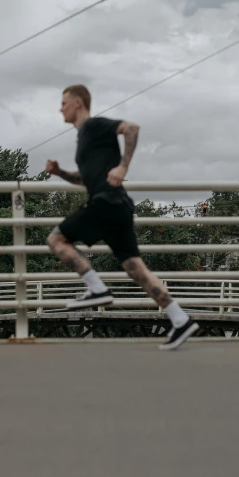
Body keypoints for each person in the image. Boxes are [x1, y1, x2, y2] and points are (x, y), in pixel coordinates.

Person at [46, 84, 199, 351]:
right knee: (134, 268)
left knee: (57, 239)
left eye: (63, 103)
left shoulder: (93, 126)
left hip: (106, 202)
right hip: (117, 205)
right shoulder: (84, 139)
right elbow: (86, 178)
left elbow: (131, 128)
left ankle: (97, 289)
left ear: (78, 103)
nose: (60, 108)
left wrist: (123, 166)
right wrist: (61, 173)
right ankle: (180, 319)